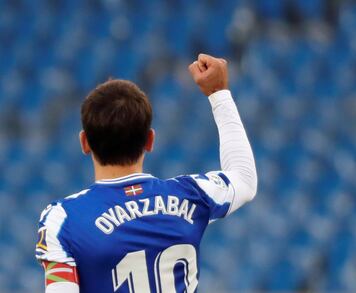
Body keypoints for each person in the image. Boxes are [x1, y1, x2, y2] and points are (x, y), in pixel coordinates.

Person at [35, 54, 257, 293]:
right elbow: (244, 179)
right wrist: (219, 94)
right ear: (150, 140)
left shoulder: (63, 219)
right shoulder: (193, 194)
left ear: (84, 142)